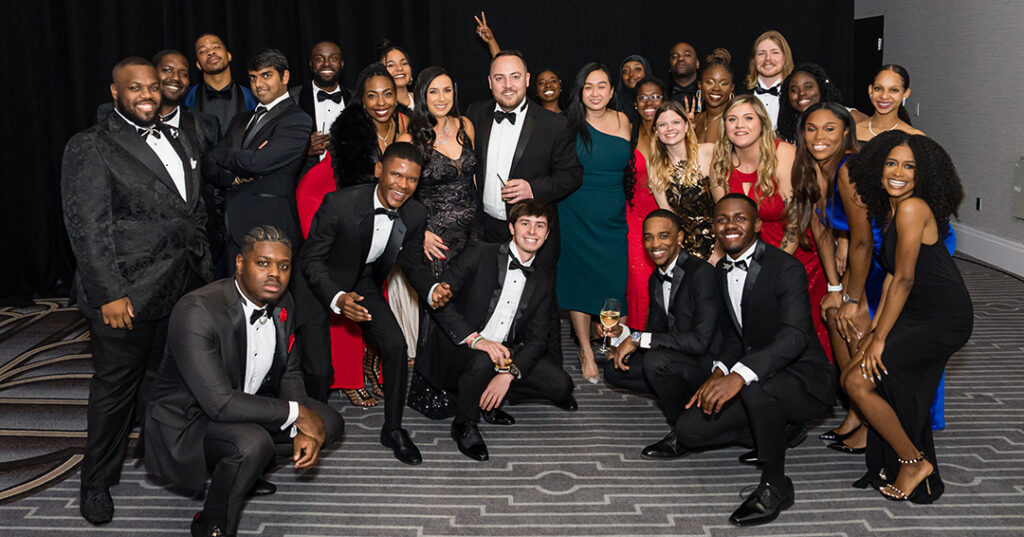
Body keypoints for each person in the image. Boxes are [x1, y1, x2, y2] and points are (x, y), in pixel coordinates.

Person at [62, 57, 213, 525]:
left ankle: (168, 463)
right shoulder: (91, 145)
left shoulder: (178, 134)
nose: (147, 94)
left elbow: (193, 205)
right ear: (115, 92)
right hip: (125, 294)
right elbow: (87, 228)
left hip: (182, 286)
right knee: (115, 392)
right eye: (135, 88)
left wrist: (202, 262)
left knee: (168, 385)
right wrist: (108, 293)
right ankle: (95, 482)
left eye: (152, 86)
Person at [144, 226, 344, 537]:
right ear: (239, 263)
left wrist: (303, 423)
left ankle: (245, 474)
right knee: (251, 445)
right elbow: (219, 403)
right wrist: (297, 414)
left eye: (283, 265)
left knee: (328, 421)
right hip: (190, 419)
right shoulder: (196, 309)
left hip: (245, 403)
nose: (274, 274)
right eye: (263, 263)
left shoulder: (284, 302)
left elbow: (290, 372)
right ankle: (211, 523)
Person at [675, 194, 835, 526]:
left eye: (740, 218)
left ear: (758, 225)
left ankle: (775, 485)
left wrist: (740, 374)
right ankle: (778, 431)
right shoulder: (720, 269)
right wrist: (719, 370)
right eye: (721, 219)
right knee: (689, 430)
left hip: (804, 378)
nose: (730, 225)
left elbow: (795, 335)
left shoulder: (785, 267)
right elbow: (736, 334)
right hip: (758, 375)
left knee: (755, 389)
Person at [301, 142, 449, 465]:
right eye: (396, 174)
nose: (403, 185)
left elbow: (412, 265)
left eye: (411, 179)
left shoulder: (414, 213)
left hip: (361, 280)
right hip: (318, 284)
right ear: (379, 170)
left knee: (395, 345)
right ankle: (308, 427)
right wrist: (337, 299)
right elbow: (310, 261)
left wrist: (431, 288)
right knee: (317, 369)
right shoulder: (340, 204)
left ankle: (393, 429)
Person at [845, 132, 972, 503]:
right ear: (878, 166)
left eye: (909, 166)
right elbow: (889, 276)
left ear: (924, 174)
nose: (898, 172)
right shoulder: (892, 208)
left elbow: (905, 278)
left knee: (857, 381)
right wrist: (875, 330)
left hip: (943, 317)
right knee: (869, 376)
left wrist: (881, 337)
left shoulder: (913, 207)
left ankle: (913, 462)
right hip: (916, 310)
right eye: (891, 163)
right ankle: (898, 458)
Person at [417, 200, 576, 461]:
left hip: (504, 354)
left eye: (540, 226)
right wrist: (476, 340)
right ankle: (464, 424)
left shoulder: (543, 279)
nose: (532, 232)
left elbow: (537, 339)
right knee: (482, 360)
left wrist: (508, 375)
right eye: (525, 224)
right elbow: (439, 300)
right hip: (460, 346)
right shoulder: (480, 252)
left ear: (547, 235)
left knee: (561, 385)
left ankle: (490, 395)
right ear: (512, 228)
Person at [465, 49, 583, 367]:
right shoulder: (473, 115)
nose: (508, 85)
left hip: (534, 233)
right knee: (487, 302)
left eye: (515, 77)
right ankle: (486, 369)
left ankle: (551, 372)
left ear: (527, 81)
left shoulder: (554, 124)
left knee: (541, 306)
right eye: (500, 78)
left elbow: (572, 175)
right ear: (489, 82)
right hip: (487, 227)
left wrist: (534, 189)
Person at [711, 95, 832, 362]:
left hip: (794, 251)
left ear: (763, 123)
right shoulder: (720, 164)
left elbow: (797, 217)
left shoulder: (784, 153)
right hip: (744, 253)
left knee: (798, 325)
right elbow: (724, 223)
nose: (739, 125)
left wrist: (773, 266)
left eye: (747, 118)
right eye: (732, 119)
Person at [789, 102, 878, 453]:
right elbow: (820, 228)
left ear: (845, 132)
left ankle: (872, 419)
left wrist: (853, 300)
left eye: (829, 129)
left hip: (879, 262)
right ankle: (858, 411)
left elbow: (862, 239)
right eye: (811, 128)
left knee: (853, 327)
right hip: (853, 264)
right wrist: (835, 288)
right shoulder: (812, 167)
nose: (819, 136)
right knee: (831, 313)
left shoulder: (850, 167)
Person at [602, 209, 723, 458]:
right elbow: (654, 333)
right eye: (649, 237)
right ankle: (686, 399)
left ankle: (684, 431)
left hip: (709, 362)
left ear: (680, 238)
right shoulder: (656, 278)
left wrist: (637, 339)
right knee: (615, 369)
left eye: (663, 236)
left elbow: (701, 342)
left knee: (657, 362)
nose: (655, 244)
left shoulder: (701, 273)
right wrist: (622, 333)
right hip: (679, 354)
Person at [397, 66, 479, 418]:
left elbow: (472, 180)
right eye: (434, 92)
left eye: (447, 91)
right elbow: (395, 193)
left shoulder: (466, 126)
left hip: (472, 234)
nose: (442, 98)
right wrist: (421, 232)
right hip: (437, 238)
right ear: (422, 96)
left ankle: (467, 382)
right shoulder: (409, 139)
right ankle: (430, 389)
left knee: (470, 308)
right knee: (439, 311)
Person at [327, 63, 413, 397]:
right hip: (357, 217)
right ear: (361, 100)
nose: (381, 102)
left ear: (397, 95)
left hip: (396, 218)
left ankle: (371, 362)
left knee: (384, 299)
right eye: (372, 95)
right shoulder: (348, 129)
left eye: (388, 93)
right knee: (357, 296)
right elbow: (350, 189)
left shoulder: (407, 123)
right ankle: (350, 376)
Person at [559, 62, 633, 383]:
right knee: (579, 279)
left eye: (601, 85)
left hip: (614, 212)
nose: (595, 93)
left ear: (612, 91)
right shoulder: (568, 125)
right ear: (580, 91)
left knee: (613, 278)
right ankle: (585, 349)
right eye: (588, 86)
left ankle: (607, 340)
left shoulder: (624, 120)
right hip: (575, 210)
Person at [647, 100, 719, 261]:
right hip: (684, 249)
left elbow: (724, 206)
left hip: (720, 243)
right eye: (662, 125)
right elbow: (667, 214)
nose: (670, 128)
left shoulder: (709, 151)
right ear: (656, 132)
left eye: (676, 122)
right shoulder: (654, 165)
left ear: (687, 126)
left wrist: (719, 252)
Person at [624, 77, 666, 330]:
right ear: (636, 103)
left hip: (667, 214)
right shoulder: (628, 132)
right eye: (643, 97)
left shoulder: (674, 129)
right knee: (639, 281)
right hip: (635, 216)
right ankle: (637, 338)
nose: (649, 102)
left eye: (656, 96)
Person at [290, 41, 351, 175]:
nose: (326, 63)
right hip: (306, 182)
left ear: (342, 64)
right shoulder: (292, 98)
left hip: (349, 183)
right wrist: (304, 149)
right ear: (311, 65)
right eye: (319, 59)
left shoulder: (355, 99)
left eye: (333, 58)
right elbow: (279, 147)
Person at [185, 33, 258, 136]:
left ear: (228, 56)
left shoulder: (252, 97)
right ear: (198, 65)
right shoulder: (187, 99)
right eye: (203, 51)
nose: (211, 52)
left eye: (216, 47)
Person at [775, 63, 867, 144]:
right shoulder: (784, 129)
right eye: (794, 90)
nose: (801, 93)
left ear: (821, 88)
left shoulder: (850, 117)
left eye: (808, 87)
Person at [856, 65, 924, 143]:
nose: (884, 96)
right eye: (878, 88)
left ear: (906, 93)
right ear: (870, 90)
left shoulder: (915, 137)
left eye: (894, 90)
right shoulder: (852, 132)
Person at [744, 30, 794, 129]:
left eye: (775, 53)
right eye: (761, 54)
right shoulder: (739, 93)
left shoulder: (795, 94)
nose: (768, 59)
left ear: (785, 57)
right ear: (754, 60)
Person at [693, 48, 734, 145]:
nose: (716, 88)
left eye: (724, 84)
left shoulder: (734, 122)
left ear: (731, 88)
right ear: (700, 85)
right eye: (709, 82)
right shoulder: (695, 121)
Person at [378, 40, 415, 115]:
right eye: (391, 65)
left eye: (404, 63)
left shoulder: (424, 101)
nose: (399, 68)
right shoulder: (380, 106)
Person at [615, 54, 652, 125]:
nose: (631, 74)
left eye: (637, 69)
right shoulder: (615, 104)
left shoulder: (657, 100)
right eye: (625, 71)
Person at [667, 41, 700, 107]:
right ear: (669, 66)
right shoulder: (662, 92)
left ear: (697, 63)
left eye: (687, 55)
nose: (680, 58)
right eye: (674, 56)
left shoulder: (706, 91)